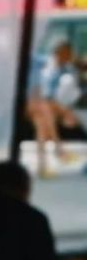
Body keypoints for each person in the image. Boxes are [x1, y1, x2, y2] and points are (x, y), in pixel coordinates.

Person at [26, 41, 83, 178]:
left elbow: (66, 92)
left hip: (47, 106)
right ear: (59, 53)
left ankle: (43, 167)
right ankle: (59, 149)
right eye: (65, 55)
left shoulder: (67, 70)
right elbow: (35, 84)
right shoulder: (42, 62)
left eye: (69, 56)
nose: (67, 59)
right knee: (44, 109)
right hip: (32, 101)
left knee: (42, 128)